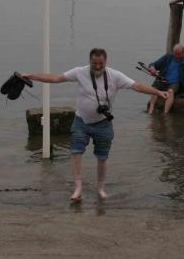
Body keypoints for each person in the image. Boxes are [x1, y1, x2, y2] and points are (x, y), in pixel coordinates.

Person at [23, 48, 169, 201]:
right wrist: (32, 76)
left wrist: (158, 92)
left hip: (103, 124)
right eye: (94, 63)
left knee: (102, 157)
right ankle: (78, 188)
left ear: (106, 62)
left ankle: (101, 188)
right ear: (89, 61)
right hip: (81, 121)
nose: (98, 66)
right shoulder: (80, 72)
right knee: (76, 152)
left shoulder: (115, 76)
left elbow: (137, 86)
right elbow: (56, 78)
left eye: (101, 63)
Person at [146, 43, 184, 114]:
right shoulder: (167, 57)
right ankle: (151, 109)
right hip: (163, 80)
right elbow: (154, 64)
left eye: (178, 54)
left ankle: (165, 112)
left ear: (183, 54)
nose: (176, 55)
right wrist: (152, 68)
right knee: (154, 89)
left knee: (170, 92)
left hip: (175, 83)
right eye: (175, 53)